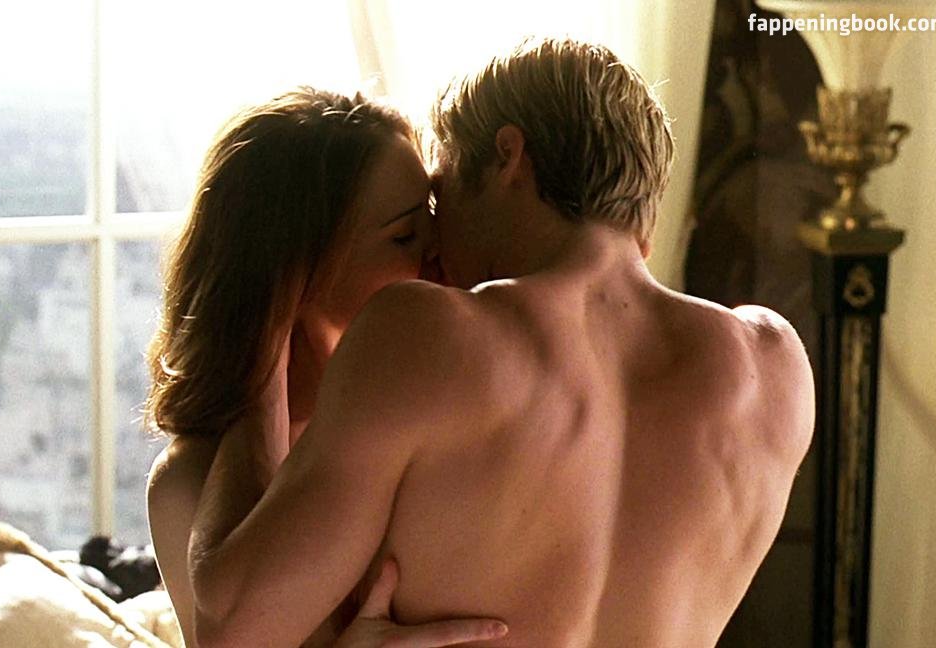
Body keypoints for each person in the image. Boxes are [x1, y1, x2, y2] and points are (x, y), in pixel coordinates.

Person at [187, 38, 815, 647]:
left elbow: (234, 628)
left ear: (509, 156)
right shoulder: (774, 363)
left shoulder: (426, 333)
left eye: (441, 195)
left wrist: (261, 343)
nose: (436, 244)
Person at [144, 88, 507, 647]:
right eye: (404, 235)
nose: (439, 251)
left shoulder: (441, 414)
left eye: (433, 220)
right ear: (298, 270)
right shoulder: (189, 482)